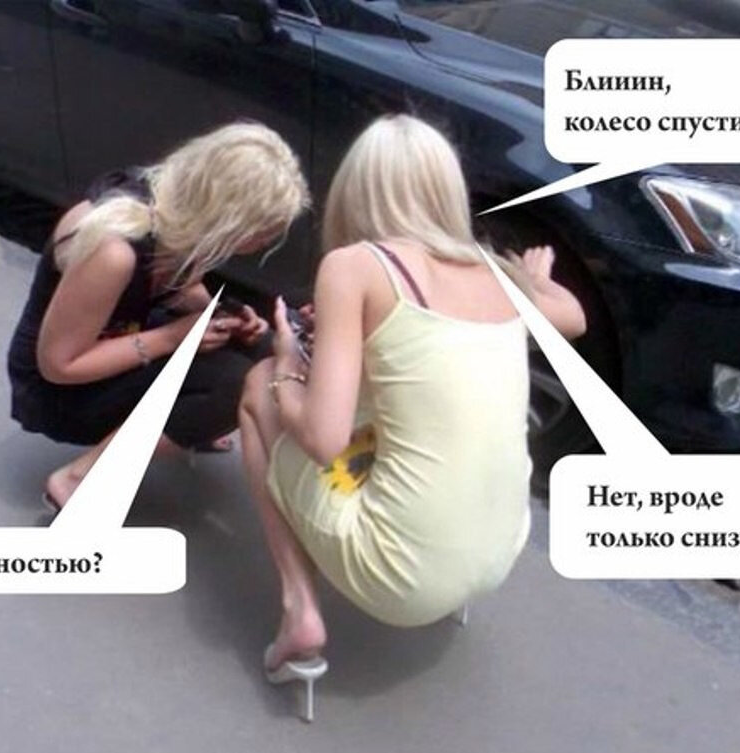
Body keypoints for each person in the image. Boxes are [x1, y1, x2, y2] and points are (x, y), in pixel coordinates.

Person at [237, 115, 586, 719]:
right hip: (500, 551)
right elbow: (573, 317)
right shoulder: (493, 271)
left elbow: (323, 439)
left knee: (256, 388)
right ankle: (440, 579)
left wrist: (288, 362)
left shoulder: (353, 267)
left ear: (357, 188)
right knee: (398, 413)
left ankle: (300, 610)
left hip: (398, 573)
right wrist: (534, 281)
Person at [7, 122, 310, 512]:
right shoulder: (113, 250)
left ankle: (190, 424)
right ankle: (78, 479)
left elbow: (179, 287)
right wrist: (174, 337)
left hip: (121, 338)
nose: (266, 241)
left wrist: (221, 317)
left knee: (264, 350)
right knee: (233, 383)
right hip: (58, 394)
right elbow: (58, 366)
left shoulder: (178, 214)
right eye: (263, 231)